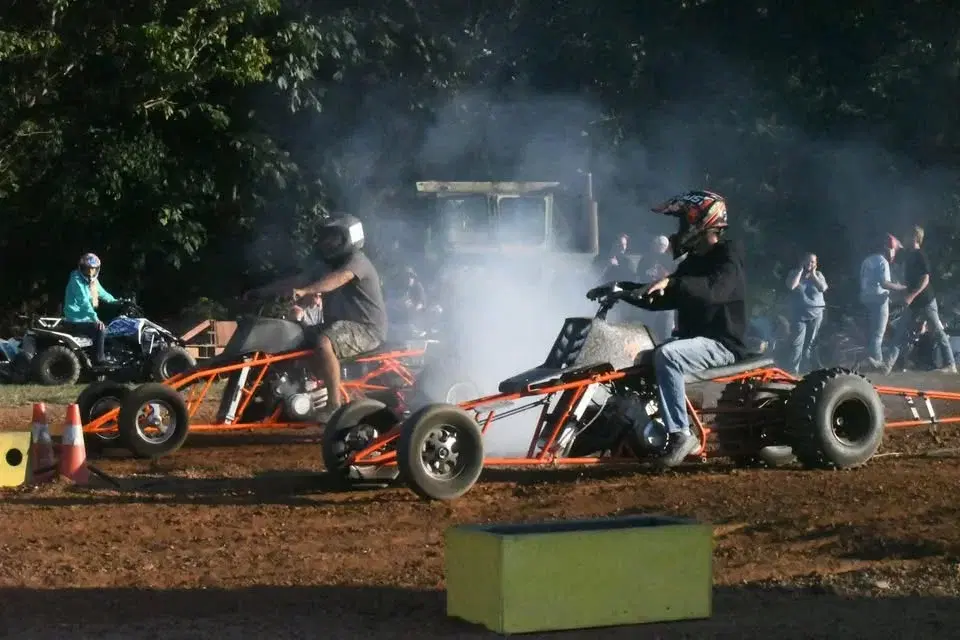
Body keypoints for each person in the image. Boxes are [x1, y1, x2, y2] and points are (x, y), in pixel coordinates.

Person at [589, 190, 748, 468]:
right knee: (639, 356)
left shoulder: (728, 255)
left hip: (722, 344)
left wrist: (673, 283)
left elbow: (714, 290)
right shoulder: (692, 263)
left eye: (683, 223)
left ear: (700, 222)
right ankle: (633, 426)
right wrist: (620, 289)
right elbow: (661, 297)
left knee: (668, 356)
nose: (679, 231)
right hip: (694, 342)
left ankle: (680, 434)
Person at [245, 214, 388, 417]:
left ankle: (333, 405)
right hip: (337, 326)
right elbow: (295, 280)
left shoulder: (356, 262)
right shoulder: (325, 266)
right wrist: (260, 292)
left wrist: (306, 291)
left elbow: (337, 280)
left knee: (324, 342)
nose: (327, 242)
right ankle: (278, 397)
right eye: (325, 236)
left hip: (366, 329)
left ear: (350, 238)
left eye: (334, 237)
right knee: (290, 338)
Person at [881, 225, 957, 374]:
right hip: (914, 303)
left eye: (907, 236)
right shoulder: (910, 256)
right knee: (900, 333)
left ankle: (951, 365)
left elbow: (925, 279)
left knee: (938, 331)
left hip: (926, 301)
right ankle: (887, 366)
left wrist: (911, 296)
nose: (904, 238)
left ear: (914, 238)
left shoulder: (920, 255)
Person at [858, 234, 906, 369]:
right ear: (888, 249)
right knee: (878, 334)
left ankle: (869, 362)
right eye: (894, 250)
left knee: (872, 334)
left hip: (865, 298)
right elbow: (885, 284)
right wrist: (902, 288)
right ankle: (878, 365)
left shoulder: (867, 260)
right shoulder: (882, 261)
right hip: (879, 299)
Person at [63, 252, 119, 365]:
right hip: (74, 320)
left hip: (86, 319)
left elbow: (103, 294)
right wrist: (95, 319)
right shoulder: (76, 279)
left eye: (93, 269)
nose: (90, 272)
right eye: (87, 269)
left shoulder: (93, 282)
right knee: (100, 328)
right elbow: (84, 302)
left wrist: (118, 302)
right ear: (81, 268)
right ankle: (99, 360)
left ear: (97, 269)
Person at [785, 253, 828, 375]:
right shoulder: (794, 273)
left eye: (813, 262)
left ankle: (807, 371)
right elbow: (791, 286)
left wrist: (813, 274)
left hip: (816, 313)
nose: (810, 264)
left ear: (816, 264)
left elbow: (822, 288)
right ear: (802, 261)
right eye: (808, 261)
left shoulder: (819, 275)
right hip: (799, 314)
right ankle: (793, 372)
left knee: (810, 344)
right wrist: (800, 271)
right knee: (797, 344)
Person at [636, 235, 676, 341]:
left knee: (665, 335)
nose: (661, 248)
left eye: (664, 246)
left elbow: (674, 281)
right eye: (659, 245)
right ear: (654, 245)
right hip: (650, 302)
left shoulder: (670, 259)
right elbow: (640, 277)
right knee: (648, 334)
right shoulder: (645, 260)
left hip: (666, 303)